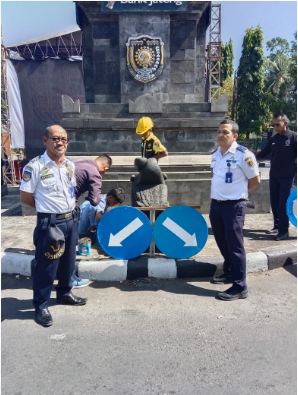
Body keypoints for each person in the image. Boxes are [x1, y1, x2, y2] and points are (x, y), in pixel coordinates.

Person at [20, 125, 87, 327]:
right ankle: (40, 305)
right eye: (56, 138)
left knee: (68, 261)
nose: (60, 143)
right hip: (50, 222)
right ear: (45, 140)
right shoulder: (35, 167)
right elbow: (25, 198)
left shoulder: (69, 165)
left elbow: (70, 192)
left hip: (70, 219)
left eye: (64, 139)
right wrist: (47, 211)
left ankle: (64, 293)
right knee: (47, 267)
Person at [210, 119, 260, 301]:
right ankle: (229, 272)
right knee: (222, 241)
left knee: (235, 246)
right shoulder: (215, 154)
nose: (221, 135)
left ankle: (240, 286)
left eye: (225, 132)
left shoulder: (243, 155)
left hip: (234, 205)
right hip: (216, 204)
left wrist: (240, 194)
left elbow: (255, 180)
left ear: (235, 136)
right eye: (219, 132)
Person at [71, 154, 112, 288]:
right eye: (105, 171)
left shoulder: (79, 161)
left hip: (50, 204)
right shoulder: (95, 174)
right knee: (70, 244)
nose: (103, 174)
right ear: (105, 168)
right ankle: (70, 279)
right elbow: (95, 200)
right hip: (65, 207)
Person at [256, 113, 297, 241]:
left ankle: (284, 231)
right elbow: (264, 153)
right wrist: (249, 155)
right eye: (273, 125)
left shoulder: (293, 137)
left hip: (288, 176)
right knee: (274, 202)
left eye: (277, 124)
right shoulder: (274, 139)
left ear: (285, 123)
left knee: (282, 204)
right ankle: (277, 226)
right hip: (274, 175)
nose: (274, 127)